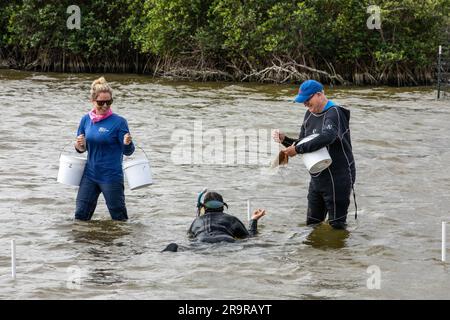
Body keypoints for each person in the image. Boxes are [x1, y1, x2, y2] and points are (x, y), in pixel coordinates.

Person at [273, 79, 356, 230]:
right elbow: (302, 142)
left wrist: (297, 150)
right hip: (318, 178)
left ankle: (339, 254)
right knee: (312, 225)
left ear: (319, 94)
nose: (305, 104)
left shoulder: (335, 112)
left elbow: (327, 136)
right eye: (303, 102)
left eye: (307, 100)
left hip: (339, 178)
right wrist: (285, 140)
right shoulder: (309, 115)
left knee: (337, 227)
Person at [74, 76, 135, 221]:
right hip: (90, 175)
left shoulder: (119, 122)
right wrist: (79, 144)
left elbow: (128, 151)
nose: (106, 106)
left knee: (119, 219)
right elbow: (80, 149)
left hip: (111, 176)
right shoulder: (85, 120)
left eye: (109, 102)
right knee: (80, 217)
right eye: (101, 103)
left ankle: (121, 243)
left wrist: (127, 143)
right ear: (93, 101)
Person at [162, 191, 266, 252]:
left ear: (203, 208)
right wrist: (254, 220)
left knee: (181, 248)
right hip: (227, 240)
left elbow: (190, 237)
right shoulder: (232, 219)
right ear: (223, 206)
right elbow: (250, 237)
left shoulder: (196, 221)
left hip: (202, 241)